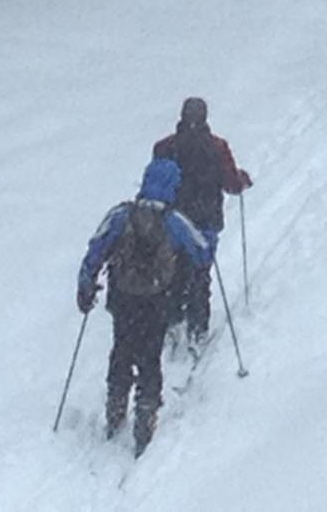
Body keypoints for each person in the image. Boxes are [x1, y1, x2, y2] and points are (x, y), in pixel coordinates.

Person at [77, 158, 212, 457]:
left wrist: (86, 285)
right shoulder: (174, 221)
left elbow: (96, 248)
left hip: (123, 298)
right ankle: (146, 415)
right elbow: (202, 252)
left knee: (122, 347)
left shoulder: (121, 215)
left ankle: (115, 406)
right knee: (150, 355)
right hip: (156, 300)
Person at [153, 97, 252, 344]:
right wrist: (242, 180)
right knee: (200, 273)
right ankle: (198, 327)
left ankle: (173, 318)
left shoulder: (164, 147)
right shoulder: (217, 147)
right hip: (205, 220)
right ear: (205, 117)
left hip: (171, 220)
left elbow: (156, 180)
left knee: (173, 269)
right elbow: (230, 183)